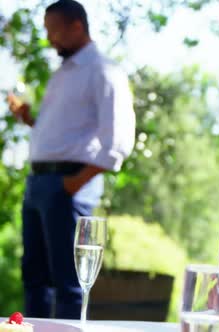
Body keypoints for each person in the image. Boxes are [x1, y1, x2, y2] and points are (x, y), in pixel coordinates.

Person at [6, 0, 135, 319]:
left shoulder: (103, 71)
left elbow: (117, 140)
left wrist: (72, 185)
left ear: (76, 26)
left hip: (68, 186)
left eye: (54, 31)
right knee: (34, 280)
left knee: (68, 283)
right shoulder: (62, 74)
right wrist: (30, 120)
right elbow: (65, 135)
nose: (49, 39)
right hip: (37, 185)